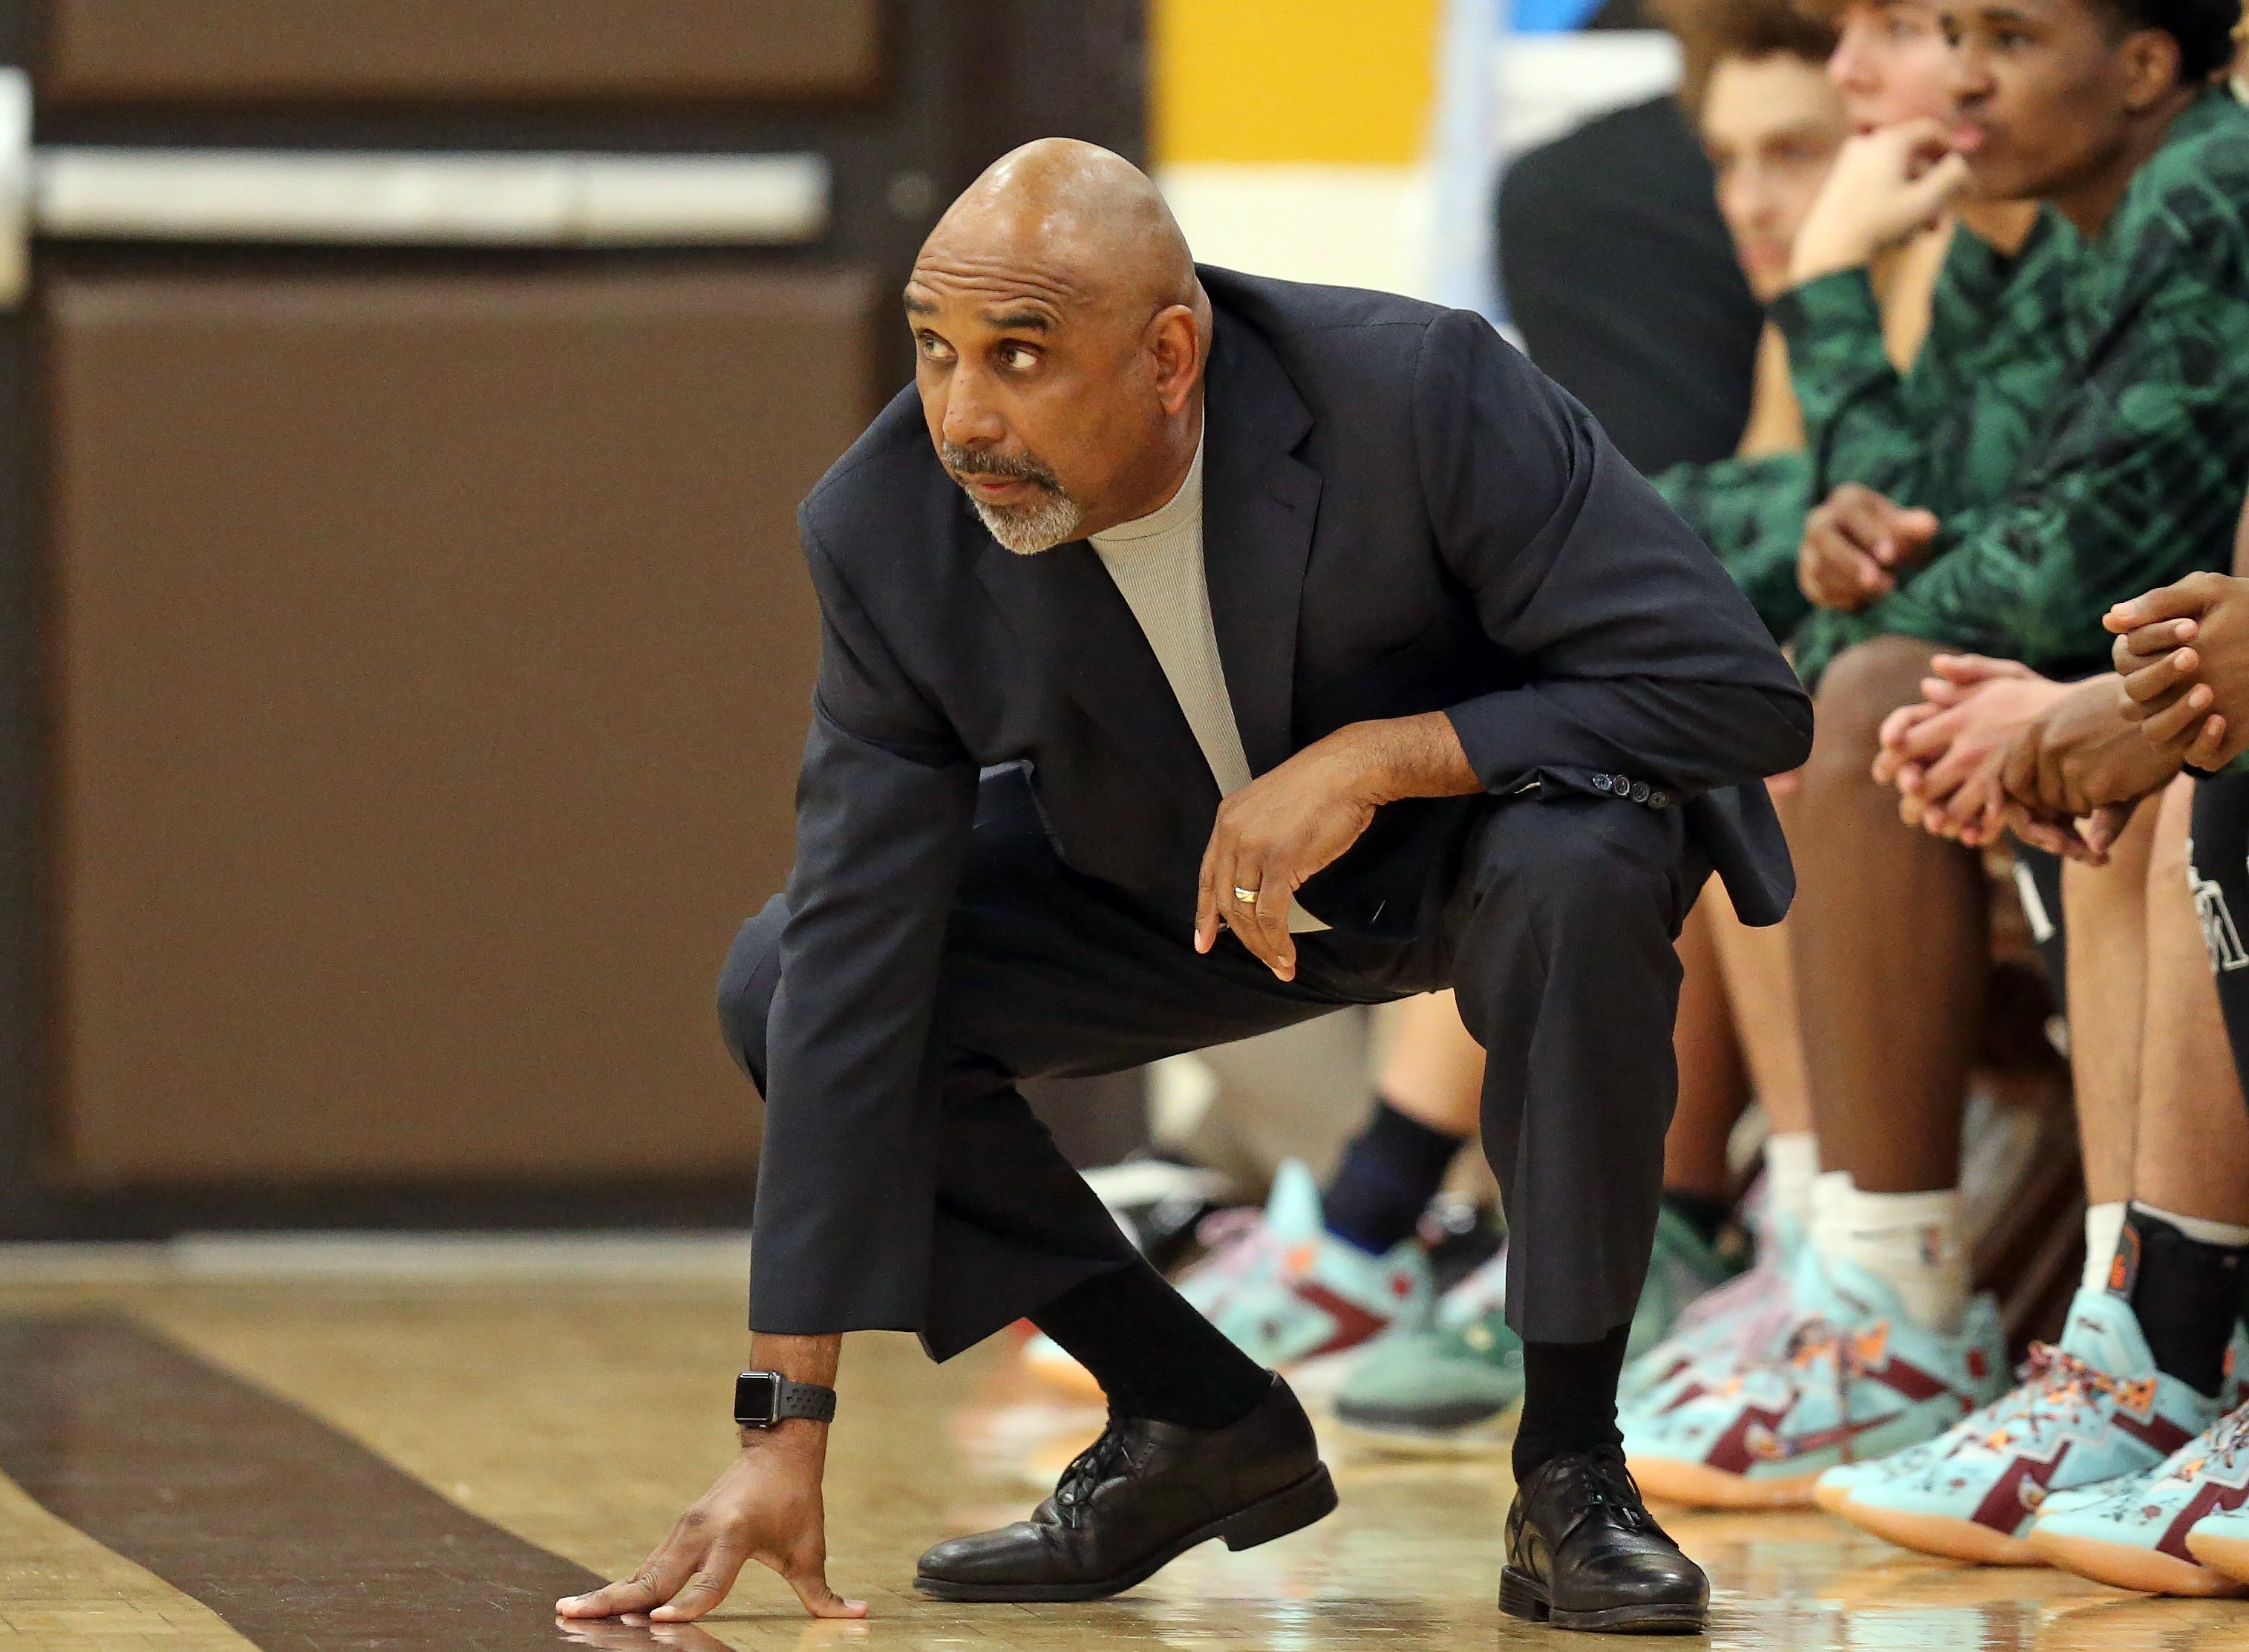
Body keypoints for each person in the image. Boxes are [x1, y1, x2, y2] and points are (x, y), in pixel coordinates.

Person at [554, 139, 1811, 1632]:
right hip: (1176, 885)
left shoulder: (1422, 392)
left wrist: (1384, 758)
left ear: (1168, 357)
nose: (963, 415)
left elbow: (1734, 695)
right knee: (781, 978)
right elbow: (851, 954)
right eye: (937, 349)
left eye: (1019, 357)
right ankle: (1190, 1414)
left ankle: (1572, 1482)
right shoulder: (889, 526)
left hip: (1487, 844)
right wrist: (782, 1430)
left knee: (1587, 857)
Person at [1625, 0, 2249, 1506]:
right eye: (1943, 31)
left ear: (2146, 67)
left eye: (1998, 37)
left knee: (1860, 703)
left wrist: (1830, 291)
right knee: (1795, 695)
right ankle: (1877, 1285)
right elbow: (1905, 508)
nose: (1945, 78)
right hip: (2130, 673)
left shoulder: (2205, 189)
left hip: (2162, 687)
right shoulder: (2013, 222)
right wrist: (1847, 521)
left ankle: (1996, 1323)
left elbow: (2058, 563)